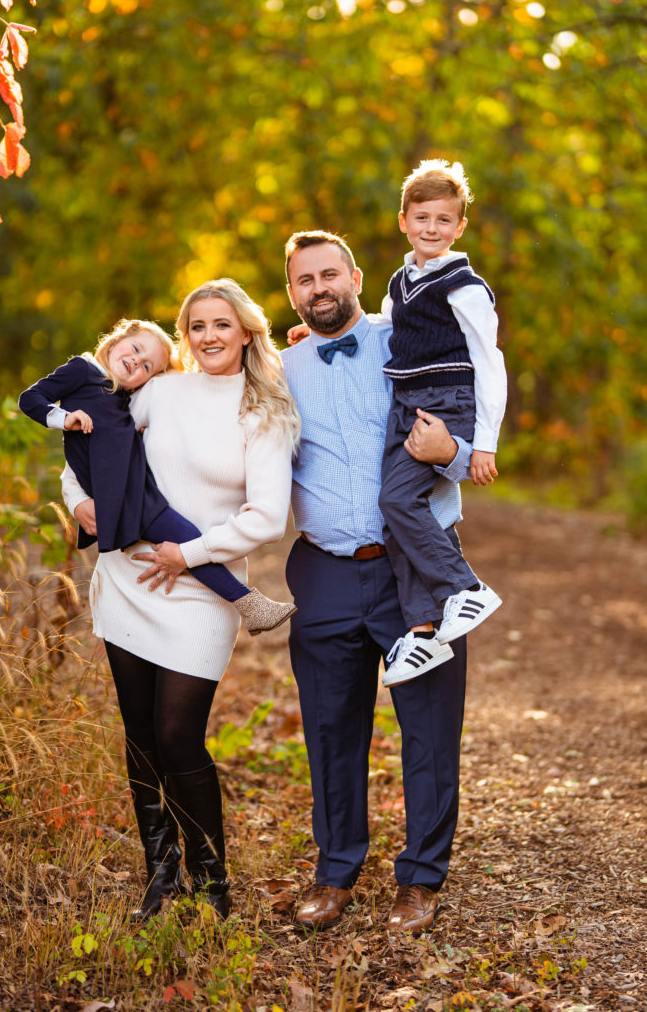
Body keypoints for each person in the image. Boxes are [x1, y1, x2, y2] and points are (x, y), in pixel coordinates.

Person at [60, 281, 299, 920]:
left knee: (177, 735)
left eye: (223, 323)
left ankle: (212, 879)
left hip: (201, 589)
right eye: (197, 325)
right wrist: (76, 502)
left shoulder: (266, 412)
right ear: (185, 335)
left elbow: (267, 517)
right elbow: (89, 446)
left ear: (247, 331)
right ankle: (161, 873)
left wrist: (186, 555)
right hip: (128, 580)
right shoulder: (161, 391)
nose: (210, 336)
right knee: (140, 736)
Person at [281, 230, 472, 935]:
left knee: (427, 727)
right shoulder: (276, 369)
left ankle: (420, 879)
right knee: (331, 731)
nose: (319, 288)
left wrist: (453, 450)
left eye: (329, 274)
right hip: (324, 570)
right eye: (305, 279)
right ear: (291, 292)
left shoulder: (411, 340)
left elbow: (470, 392)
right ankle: (335, 872)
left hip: (412, 570)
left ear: (357, 276)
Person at [19, 318, 295, 636]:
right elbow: (30, 399)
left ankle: (250, 605)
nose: (136, 361)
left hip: (139, 489)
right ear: (118, 337)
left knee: (188, 536)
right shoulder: (83, 370)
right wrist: (65, 420)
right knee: (187, 535)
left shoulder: (128, 398)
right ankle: (249, 603)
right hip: (122, 497)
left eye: (146, 365)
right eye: (136, 348)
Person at [378, 159, 506, 684]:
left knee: (396, 499)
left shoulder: (465, 285)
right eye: (422, 217)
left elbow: (490, 361)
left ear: (460, 227)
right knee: (392, 512)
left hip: (445, 403)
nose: (432, 229)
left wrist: (484, 444)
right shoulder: (400, 281)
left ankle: (465, 588)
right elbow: (384, 325)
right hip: (406, 401)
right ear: (403, 220)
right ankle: (425, 633)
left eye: (443, 220)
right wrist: (313, 336)